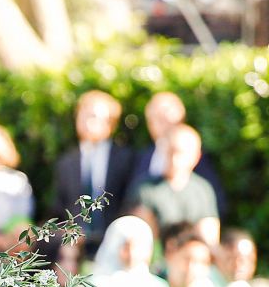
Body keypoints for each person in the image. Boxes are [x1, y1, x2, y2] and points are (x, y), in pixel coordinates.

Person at [52, 91, 135, 257]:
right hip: (74, 245)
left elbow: (130, 201)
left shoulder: (125, 159)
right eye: (83, 115)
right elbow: (58, 208)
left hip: (114, 241)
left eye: (94, 116)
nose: (87, 122)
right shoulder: (66, 163)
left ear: (110, 123)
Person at [124, 124, 220, 247]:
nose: (174, 159)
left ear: (196, 156)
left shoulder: (202, 190)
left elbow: (209, 239)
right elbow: (142, 238)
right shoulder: (144, 188)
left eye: (180, 153)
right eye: (169, 151)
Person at [130, 92, 225, 215]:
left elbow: (214, 202)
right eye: (154, 118)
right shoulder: (142, 157)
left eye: (165, 118)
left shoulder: (194, 155)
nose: (160, 124)